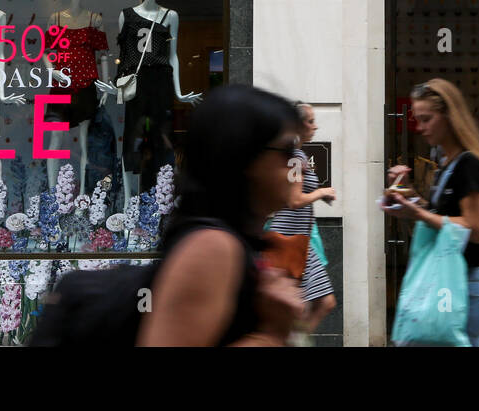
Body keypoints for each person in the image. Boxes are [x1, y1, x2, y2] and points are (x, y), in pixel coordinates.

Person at [137, 85, 306, 346]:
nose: (300, 163)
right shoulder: (212, 248)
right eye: (286, 151)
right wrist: (273, 332)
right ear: (246, 158)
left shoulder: (233, 241)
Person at [381, 79, 479, 346]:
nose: (420, 127)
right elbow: (441, 215)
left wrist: (419, 215)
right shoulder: (446, 163)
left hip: (465, 286)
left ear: (450, 115)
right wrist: (408, 195)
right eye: (418, 119)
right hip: (455, 283)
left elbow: (475, 229)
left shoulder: (469, 165)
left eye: (427, 119)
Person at [268, 102, 337, 337]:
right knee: (319, 303)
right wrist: (322, 192)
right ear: (298, 125)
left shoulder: (295, 155)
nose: (315, 126)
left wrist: (319, 195)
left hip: (299, 241)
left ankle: (292, 340)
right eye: (310, 121)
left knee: (309, 304)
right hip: (289, 239)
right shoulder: (295, 157)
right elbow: (294, 201)